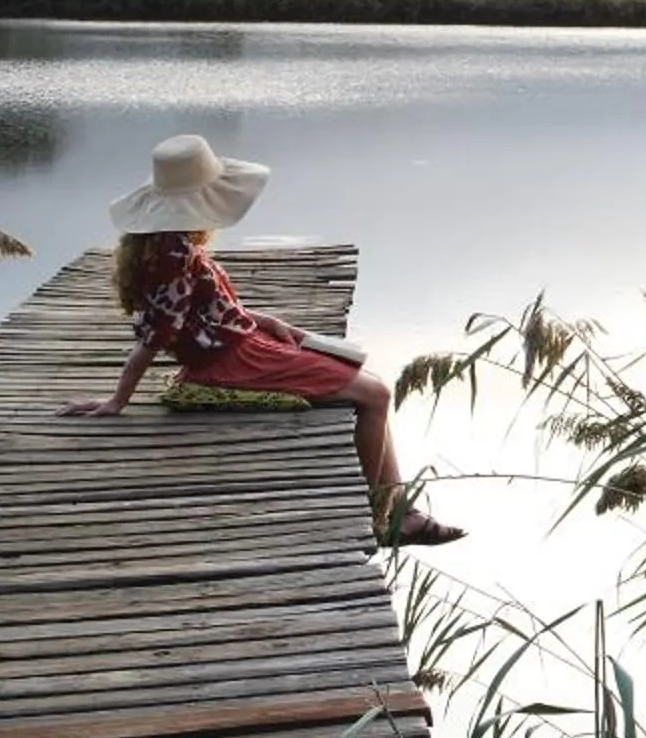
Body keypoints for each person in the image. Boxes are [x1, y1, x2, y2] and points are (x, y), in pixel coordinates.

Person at [58, 134, 464, 547]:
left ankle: (402, 512)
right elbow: (155, 336)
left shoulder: (165, 246)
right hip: (235, 362)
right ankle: (382, 517)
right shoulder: (173, 258)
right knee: (375, 395)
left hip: (242, 348)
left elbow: (202, 314)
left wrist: (264, 320)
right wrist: (116, 401)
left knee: (369, 384)